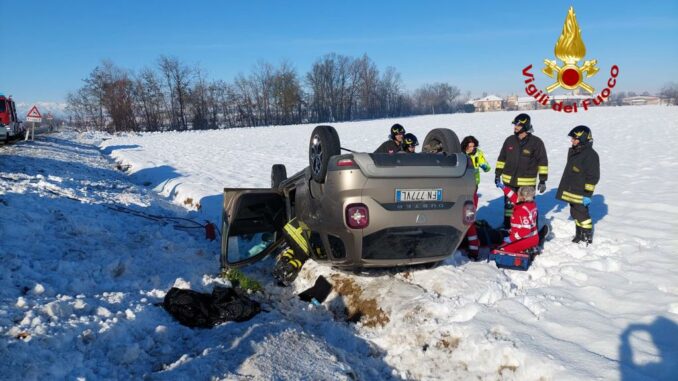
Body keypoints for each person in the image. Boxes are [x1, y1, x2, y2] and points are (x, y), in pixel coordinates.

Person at [495, 113, 548, 229]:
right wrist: (497, 174)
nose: (515, 127)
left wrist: (543, 180)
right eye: (515, 125)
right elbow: (501, 159)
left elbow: (543, 162)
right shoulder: (509, 140)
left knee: (527, 207)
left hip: (527, 184)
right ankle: (508, 226)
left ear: (525, 126)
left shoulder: (536, 143)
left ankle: (530, 229)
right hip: (509, 182)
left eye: (518, 125)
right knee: (509, 207)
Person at [556, 125, 600, 245]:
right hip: (572, 191)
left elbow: (593, 177)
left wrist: (587, 194)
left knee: (582, 216)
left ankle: (586, 237)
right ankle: (579, 235)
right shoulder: (577, 151)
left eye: (574, 138)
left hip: (581, 193)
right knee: (575, 213)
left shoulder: (590, 155)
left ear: (583, 139)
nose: (572, 140)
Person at [461, 136, 491, 260]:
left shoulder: (478, 154)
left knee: (469, 218)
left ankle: (474, 250)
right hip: (460, 189)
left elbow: (487, 167)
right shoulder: (460, 155)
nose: (472, 148)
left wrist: (484, 165)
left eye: (474, 146)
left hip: (473, 189)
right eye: (469, 146)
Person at [494, 184, 540, 254]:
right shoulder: (531, 203)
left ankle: (527, 250)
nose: (517, 196)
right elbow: (513, 196)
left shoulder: (522, 210)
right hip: (531, 236)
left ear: (523, 198)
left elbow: (526, 231)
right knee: (501, 238)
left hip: (527, 239)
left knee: (502, 250)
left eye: (519, 195)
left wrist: (511, 238)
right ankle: (528, 248)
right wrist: (504, 188)